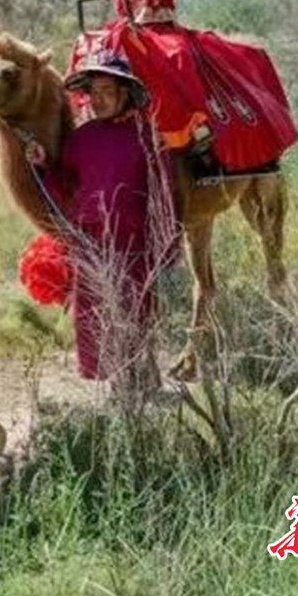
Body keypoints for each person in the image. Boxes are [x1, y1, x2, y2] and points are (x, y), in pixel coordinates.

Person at [77, 0, 298, 172]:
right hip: (131, 26)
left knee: (177, 57)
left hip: (158, 25)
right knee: (90, 46)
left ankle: (195, 129)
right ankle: (89, 116)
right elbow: (125, 6)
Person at [25, 49, 177, 393]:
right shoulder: (83, 138)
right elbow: (65, 185)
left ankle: (143, 380)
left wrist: (165, 242)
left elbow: (164, 192)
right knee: (95, 315)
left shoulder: (147, 136)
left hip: (133, 243)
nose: (99, 99)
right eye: (93, 92)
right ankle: (117, 390)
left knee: (135, 310)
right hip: (89, 242)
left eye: (107, 92)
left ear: (125, 93)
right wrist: (43, 164)